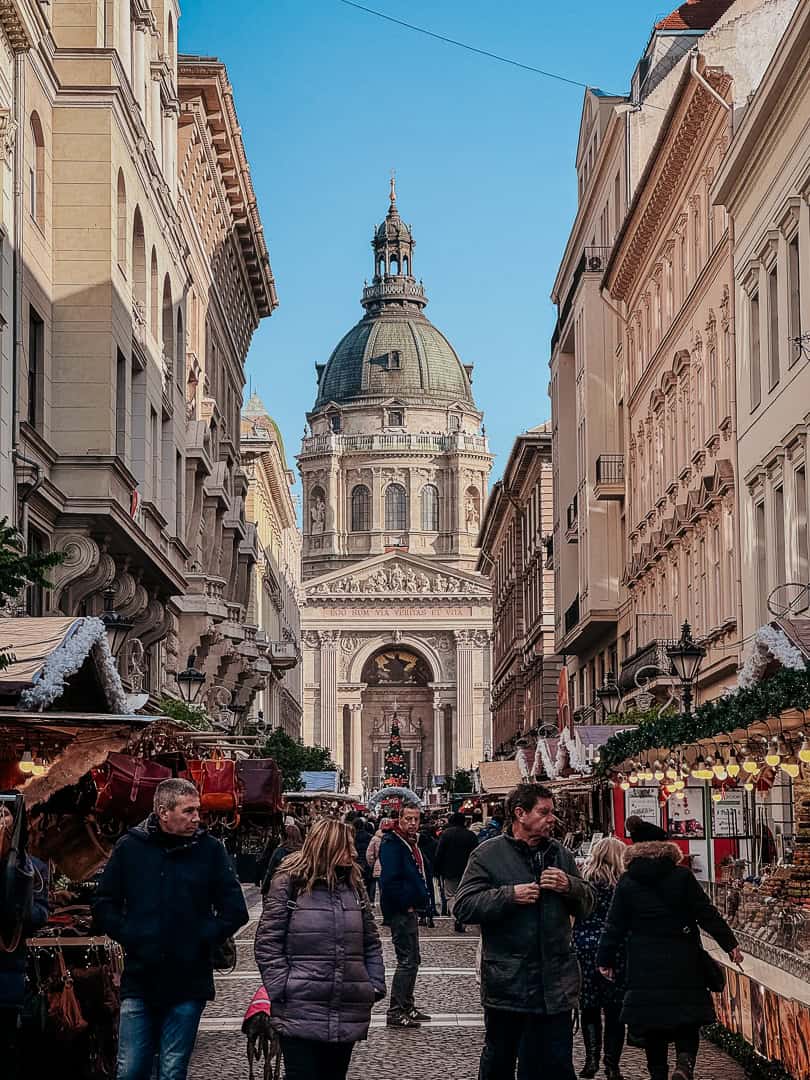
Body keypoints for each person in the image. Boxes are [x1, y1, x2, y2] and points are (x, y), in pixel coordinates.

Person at [94, 778, 248, 1080]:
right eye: (189, 811)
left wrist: (201, 937)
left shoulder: (210, 850)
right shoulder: (130, 848)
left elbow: (235, 911)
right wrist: (130, 934)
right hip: (140, 978)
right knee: (130, 1069)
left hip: (188, 980)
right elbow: (103, 902)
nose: (197, 818)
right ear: (164, 812)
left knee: (172, 1069)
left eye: (197, 811)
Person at [454, 782, 595, 1080]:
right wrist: (508, 896)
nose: (551, 819)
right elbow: (463, 906)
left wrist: (570, 886)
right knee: (500, 1060)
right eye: (544, 812)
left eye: (552, 812)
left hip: (556, 985)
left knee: (555, 1064)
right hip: (509, 985)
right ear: (520, 814)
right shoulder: (487, 855)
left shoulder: (561, 855)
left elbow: (588, 904)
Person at [597, 837, 742, 1080]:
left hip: (644, 963)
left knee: (653, 1025)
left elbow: (614, 924)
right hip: (682, 958)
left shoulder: (628, 881)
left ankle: (658, 1075)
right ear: (670, 854)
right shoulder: (682, 877)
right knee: (687, 1018)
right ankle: (684, 1064)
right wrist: (730, 944)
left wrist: (605, 958)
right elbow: (705, 912)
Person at [255, 818, 385, 1080]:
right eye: (347, 846)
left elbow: (371, 942)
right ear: (329, 847)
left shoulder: (354, 886)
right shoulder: (290, 884)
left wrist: (373, 984)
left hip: (347, 1004)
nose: (355, 852)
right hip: (300, 1006)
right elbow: (267, 942)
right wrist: (283, 987)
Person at [0, 793, 48, 1080]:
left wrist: (21, 910)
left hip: (9, 971)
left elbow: (41, 912)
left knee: (8, 1048)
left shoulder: (33, 868)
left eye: (5, 814)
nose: (1, 821)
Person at [573, 837, 627, 1080]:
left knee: (589, 1007)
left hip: (585, 948)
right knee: (615, 1012)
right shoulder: (623, 885)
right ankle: (612, 1065)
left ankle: (591, 1060)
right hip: (615, 951)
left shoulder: (585, 883)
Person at [379, 804, 431, 1028]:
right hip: (402, 911)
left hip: (409, 909)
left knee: (413, 960)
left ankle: (407, 1005)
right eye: (408, 819)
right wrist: (406, 903)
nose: (412, 823)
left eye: (416, 819)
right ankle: (396, 1010)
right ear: (399, 819)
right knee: (407, 961)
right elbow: (389, 881)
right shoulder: (393, 844)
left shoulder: (408, 842)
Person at [433, 811, 478, 933]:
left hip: (449, 871)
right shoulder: (471, 835)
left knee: (451, 896)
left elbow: (439, 853)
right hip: (468, 871)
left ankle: (458, 917)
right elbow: (476, 854)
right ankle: (462, 916)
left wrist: (436, 869)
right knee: (465, 895)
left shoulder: (446, 834)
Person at [260, 823, 303, 891]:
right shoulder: (303, 851)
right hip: (299, 888)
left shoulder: (279, 851)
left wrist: (265, 888)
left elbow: (270, 871)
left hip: (281, 887)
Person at [365, 816, 394, 908]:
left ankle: (385, 911)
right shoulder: (395, 838)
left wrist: (373, 864)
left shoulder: (375, 838)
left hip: (379, 865)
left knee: (382, 889)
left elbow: (369, 854)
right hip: (393, 866)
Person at [417, 820, 438, 928]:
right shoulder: (434, 842)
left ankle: (422, 915)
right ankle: (432, 910)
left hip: (419, 869)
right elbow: (437, 856)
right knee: (431, 890)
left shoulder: (417, 843)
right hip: (430, 869)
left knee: (421, 891)